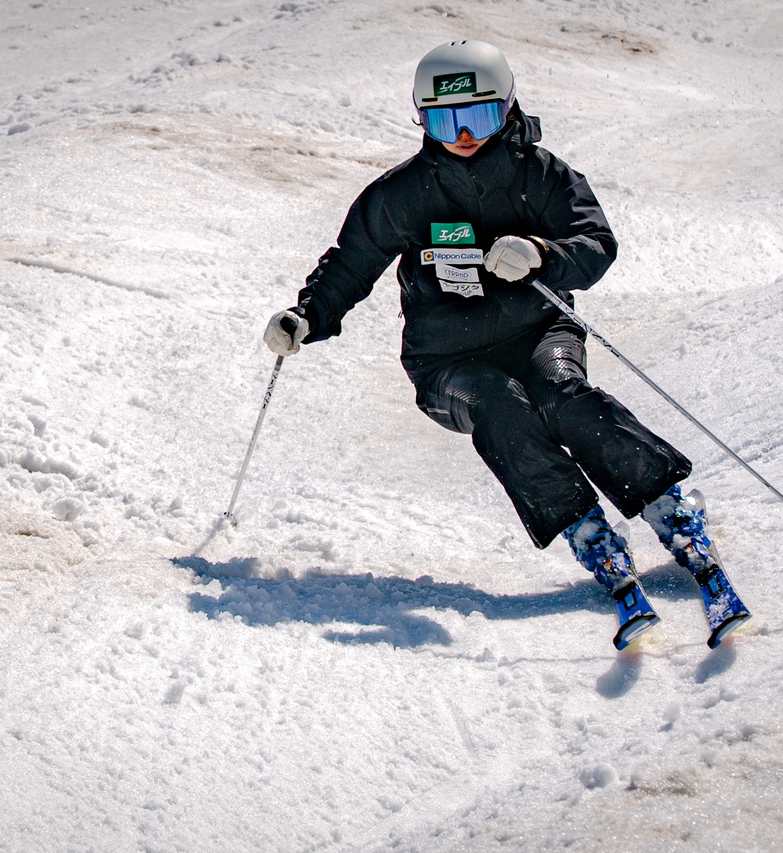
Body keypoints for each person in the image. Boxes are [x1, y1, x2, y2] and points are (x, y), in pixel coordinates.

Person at [262, 40, 749, 650]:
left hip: (538, 330)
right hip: (447, 361)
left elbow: (596, 243)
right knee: (499, 404)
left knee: (561, 394)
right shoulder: (402, 194)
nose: (463, 134)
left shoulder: (540, 175)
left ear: (509, 108)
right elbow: (350, 263)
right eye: (444, 120)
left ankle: (670, 510)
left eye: (480, 116)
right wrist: (307, 316)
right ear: (422, 120)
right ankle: (589, 533)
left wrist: (545, 255)